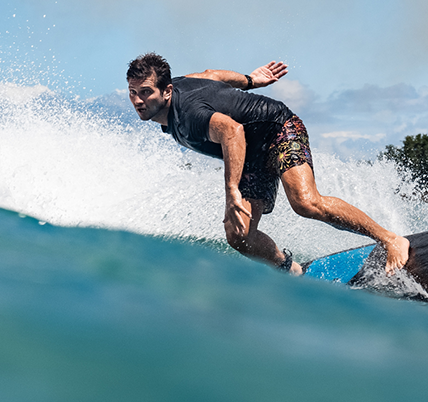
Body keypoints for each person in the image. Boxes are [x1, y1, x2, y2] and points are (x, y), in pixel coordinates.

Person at [126, 53, 410, 275]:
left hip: (278, 128)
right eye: (133, 92)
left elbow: (231, 131)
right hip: (252, 154)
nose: (138, 100)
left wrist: (232, 191)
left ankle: (390, 239)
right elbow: (210, 75)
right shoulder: (173, 100)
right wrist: (250, 80)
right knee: (238, 234)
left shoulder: (188, 114)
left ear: (167, 91)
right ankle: (291, 270)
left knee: (305, 203)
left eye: (146, 92)